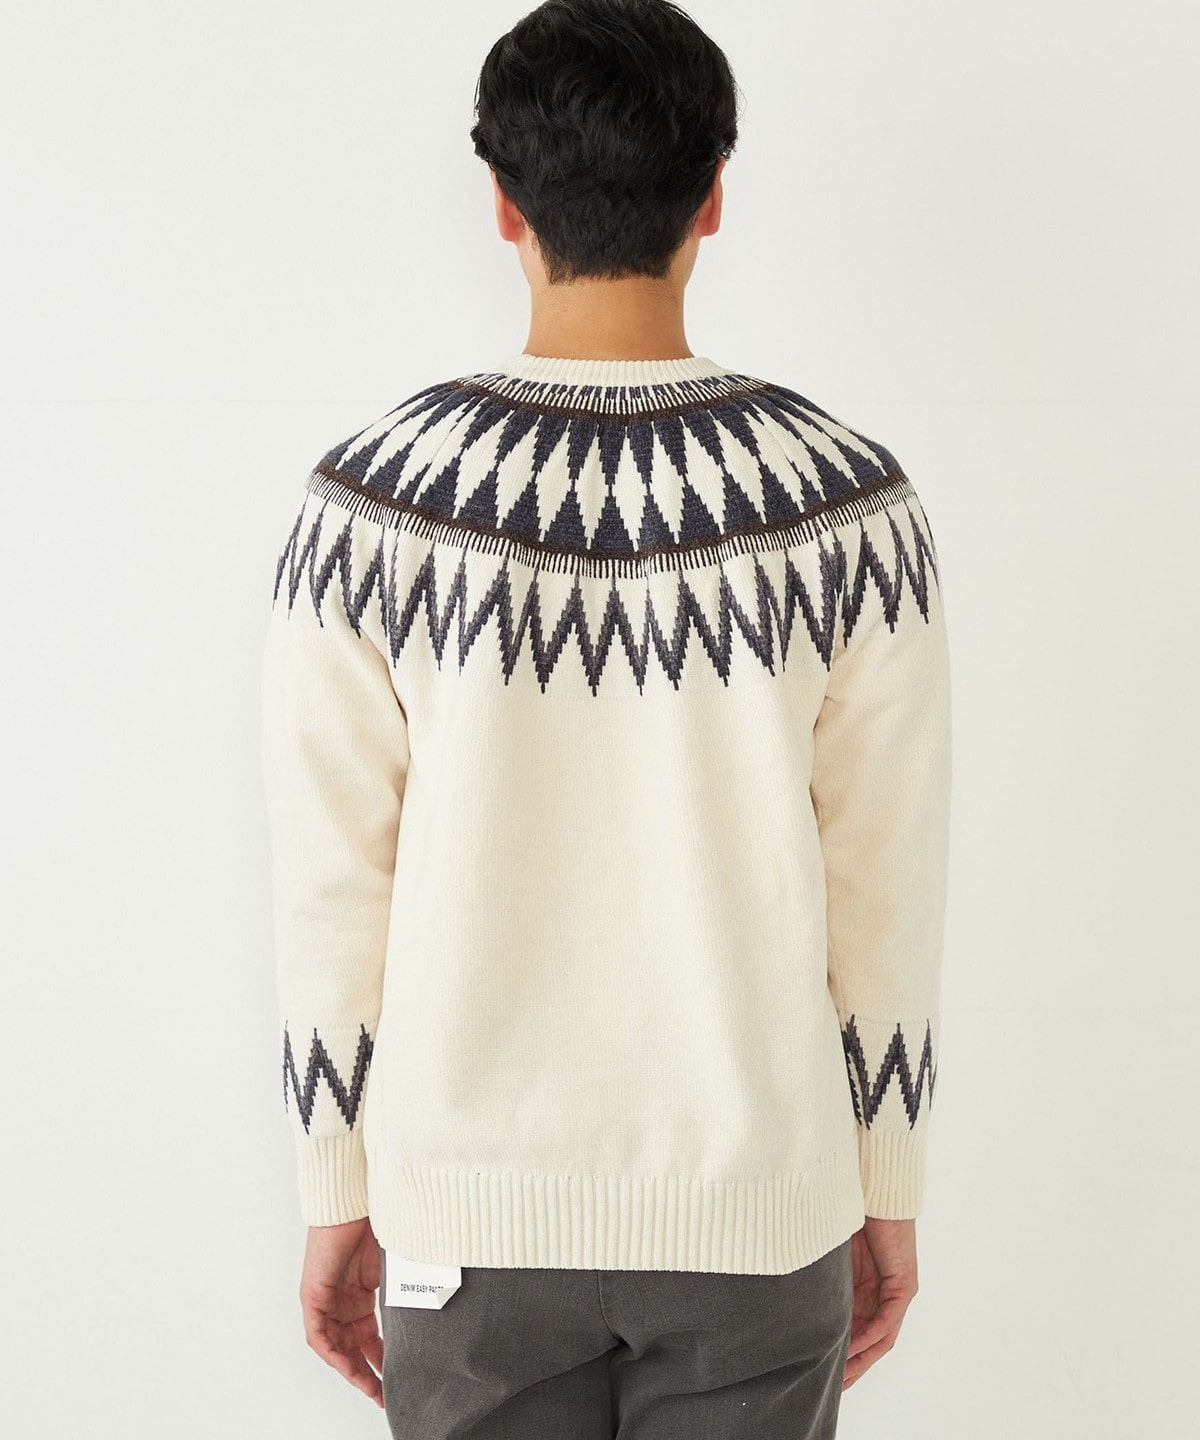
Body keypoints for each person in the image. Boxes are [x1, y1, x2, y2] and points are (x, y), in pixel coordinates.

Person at [258, 1, 953, 1435]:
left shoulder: (370, 506)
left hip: (466, 1226)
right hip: (761, 1219)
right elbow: (887, 886)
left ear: (503, 203)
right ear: (715, 197)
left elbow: (333, 887)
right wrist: (885, 1186)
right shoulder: (850, 508)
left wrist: (336, 1187)